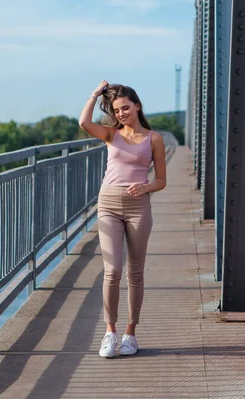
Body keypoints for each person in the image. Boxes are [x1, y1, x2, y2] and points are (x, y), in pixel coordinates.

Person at [79, 80, 167, 358]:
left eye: (126, 108)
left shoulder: (154, 139)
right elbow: (83, 123)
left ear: (137, 106)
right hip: (108, 204)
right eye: (117, 110)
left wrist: (146, 186)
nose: (121, 114)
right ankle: (110, 333)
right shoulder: (110, 135)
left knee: (135, 271)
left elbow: (162, 180)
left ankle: (130, 334)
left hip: (138, 206)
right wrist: (94, 94)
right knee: (112, 269)